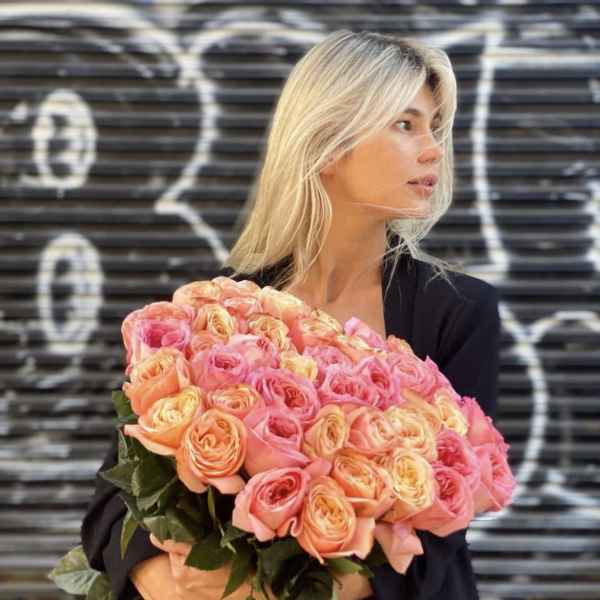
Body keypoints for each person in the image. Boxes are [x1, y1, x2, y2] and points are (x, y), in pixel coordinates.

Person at [81, 29, 501, 600]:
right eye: (406, 124)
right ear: (328, 143)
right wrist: (167, 584)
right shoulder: (215, 310)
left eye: (435, 127)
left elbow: (443, 529)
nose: (434, 149)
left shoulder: (459, 311)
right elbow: (113, 504)